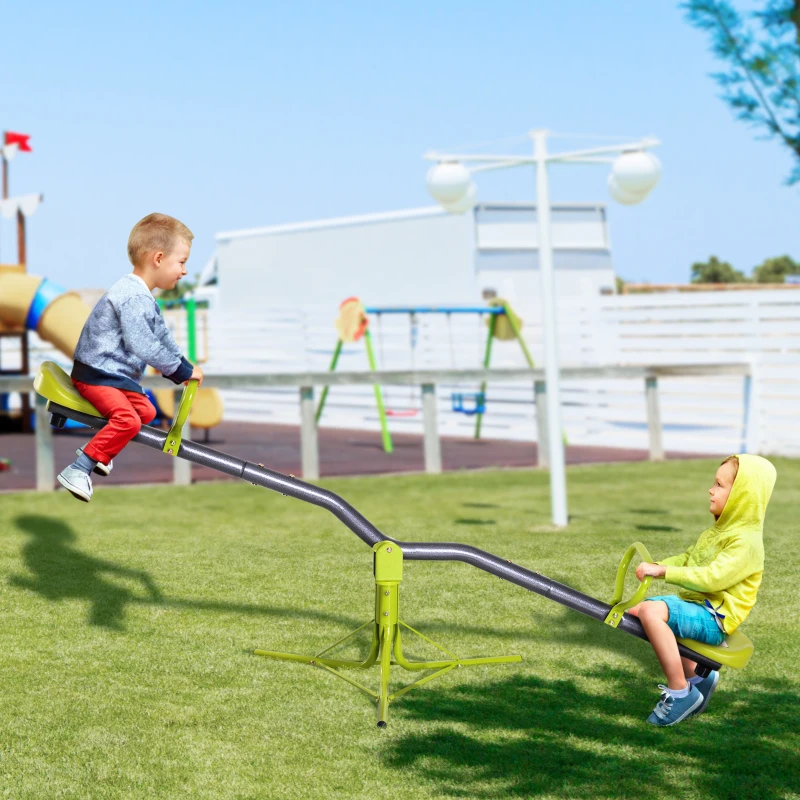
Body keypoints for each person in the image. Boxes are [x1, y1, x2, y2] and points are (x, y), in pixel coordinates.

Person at [57, 213, 204, 502]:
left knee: (146, 413)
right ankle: (79, 468)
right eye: (182, 262)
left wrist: (185, 366)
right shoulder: (133, 296)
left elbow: (161, 337)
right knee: (128, 421)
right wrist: (180, 371)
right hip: (98, 374)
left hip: (115, 377)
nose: (185, 271)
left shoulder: (144, 296)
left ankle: (103, 451)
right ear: (158, 258)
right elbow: (144, 345)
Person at [627, 453, 776, 727]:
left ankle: (681, 692)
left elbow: (712, 578)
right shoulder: (717, 532)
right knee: (634, 612)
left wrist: (663, 572)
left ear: (742, 496)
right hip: (700, 608)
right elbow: (688, 558)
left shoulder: (745, 542)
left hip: (715, 618)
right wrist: (658, 564)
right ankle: (698, 677)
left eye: (719, 485)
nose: (711, 489)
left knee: (651, 612)